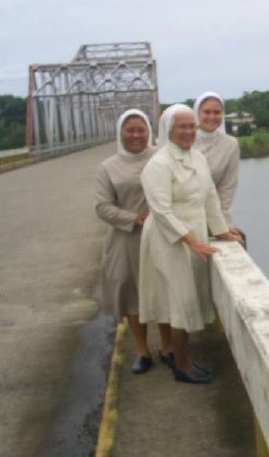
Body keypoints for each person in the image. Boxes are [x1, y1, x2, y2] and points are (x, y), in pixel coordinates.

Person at [138, 104, 241, 384]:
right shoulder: (158, 165)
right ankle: (182, 366)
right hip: (168, 239)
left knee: (185, 299)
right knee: (180, 301)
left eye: (191, 126)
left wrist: (222, 231)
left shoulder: (197, 158)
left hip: (192, 233)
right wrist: (191, 240)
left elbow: (210, 197)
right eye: (181, 127)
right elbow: (161, 211)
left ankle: (182, 357)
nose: (188, 132)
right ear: (168, 130)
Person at [95, 109, 171, 374]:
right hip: (125, 239)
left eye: (141, 129)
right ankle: (142, 351)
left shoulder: (162, 156)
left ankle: (168, 347)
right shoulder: (108, 167)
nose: (136, 135)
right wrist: (134, 218)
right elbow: (102, 207)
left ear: (149, 132)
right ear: (120, 133)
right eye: (130, 130)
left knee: (161, 292)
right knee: (132, 298)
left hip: (160, 237)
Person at [192, 91, 245, 246]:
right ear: (197, 113)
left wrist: (224, 225)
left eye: (217, 112)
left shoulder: (230, 144)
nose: (212, 117)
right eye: (207, 112)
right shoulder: (186, 140)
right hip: (185, 216)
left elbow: (227, 189)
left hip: (212, 216)